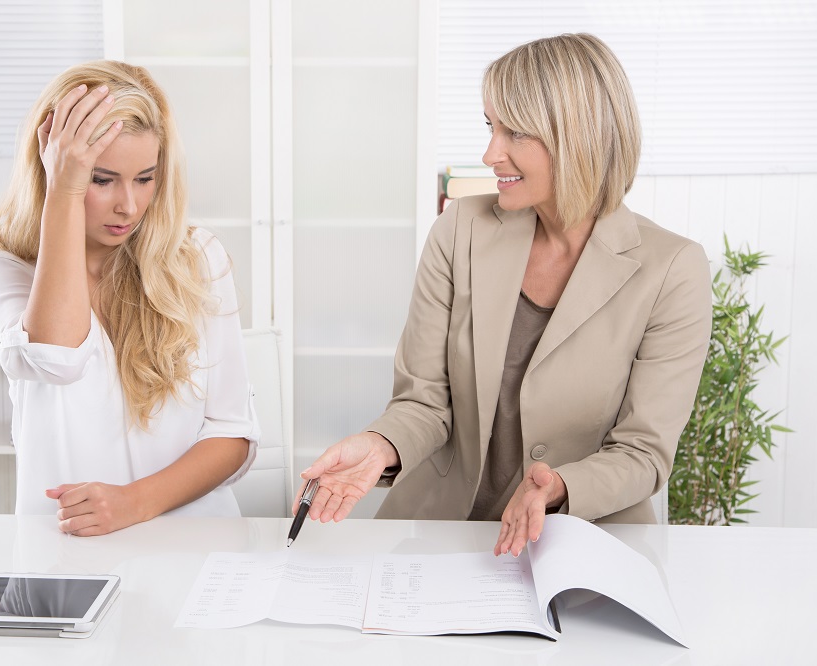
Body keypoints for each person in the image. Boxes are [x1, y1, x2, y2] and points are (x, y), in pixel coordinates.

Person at [296, 34, 711, 557]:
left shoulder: (672, 269)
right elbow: (424, 402)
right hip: (443, 530)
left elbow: (643, 451)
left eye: (515, 131)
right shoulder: (461, 228)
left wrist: (559, 487)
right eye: (490, 127)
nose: (491, 153)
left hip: (579, 542)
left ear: (578, 137)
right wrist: (380, 445)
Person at [0, 60, 259, 536]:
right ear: (51, 166)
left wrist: (133, 504)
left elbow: (232, 435)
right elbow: (57, 359)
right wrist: (64, 191)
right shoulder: (1, 265)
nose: (129, 206)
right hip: (70, 552)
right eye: (101, 180)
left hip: (195, 543)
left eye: (144, 178)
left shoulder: (197, 257)